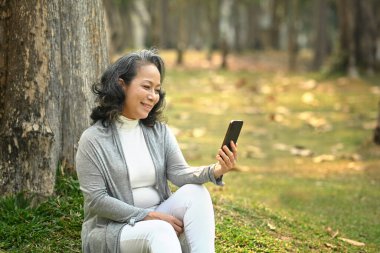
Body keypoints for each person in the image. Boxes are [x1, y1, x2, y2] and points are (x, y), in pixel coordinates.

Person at [75, 49, 238, 253]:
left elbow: (179, 173)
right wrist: (147, 216)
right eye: (146, 87)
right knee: (160, 230)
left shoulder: (158, 132)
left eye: (157, 89)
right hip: (114, 229)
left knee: (196, 193)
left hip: (159, 217)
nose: (153, 96)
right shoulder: (93, 139)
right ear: (121, 84)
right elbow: (97, 200)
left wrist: (216, 169)